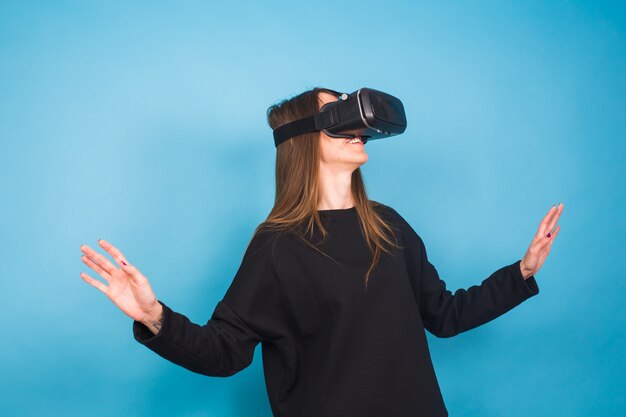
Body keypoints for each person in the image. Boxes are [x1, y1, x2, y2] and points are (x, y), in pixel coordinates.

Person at [79, 87, 564, 417]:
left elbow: (444, 314)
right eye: (338, 115)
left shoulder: (389, 226)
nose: (357, 126)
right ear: (304, 139)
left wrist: (520, 274)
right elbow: (226, 351)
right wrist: (154, 316)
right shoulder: (278, 245)